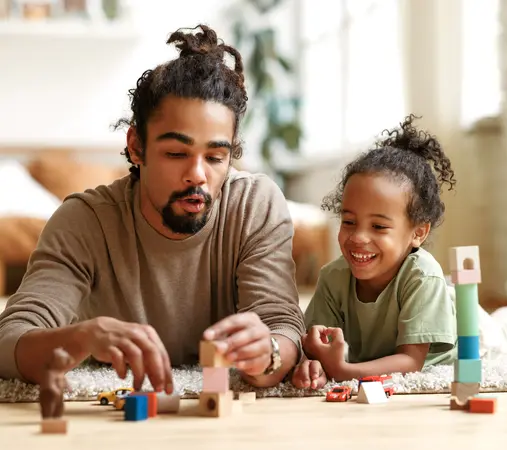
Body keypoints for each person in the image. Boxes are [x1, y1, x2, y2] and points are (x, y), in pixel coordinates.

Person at [0, 24, 306, 391]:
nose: (197, 175)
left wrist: (268, 352)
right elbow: (10, 342)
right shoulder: (85, 220)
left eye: (215, 157)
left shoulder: (255, 205)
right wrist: (82, 337)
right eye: (176, 153)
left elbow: (284, 329)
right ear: (136, 146)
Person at [291, 115, 507, 390]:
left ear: (418, 233)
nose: (358, 237)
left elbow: (410, 362)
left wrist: (345, 370)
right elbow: (316, 345)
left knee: (502, 334)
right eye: (348, 222)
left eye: (379, 226)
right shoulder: (332, 278)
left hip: (466, 329)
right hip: (429, 294)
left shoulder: (421, 276)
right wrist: (313, 365)